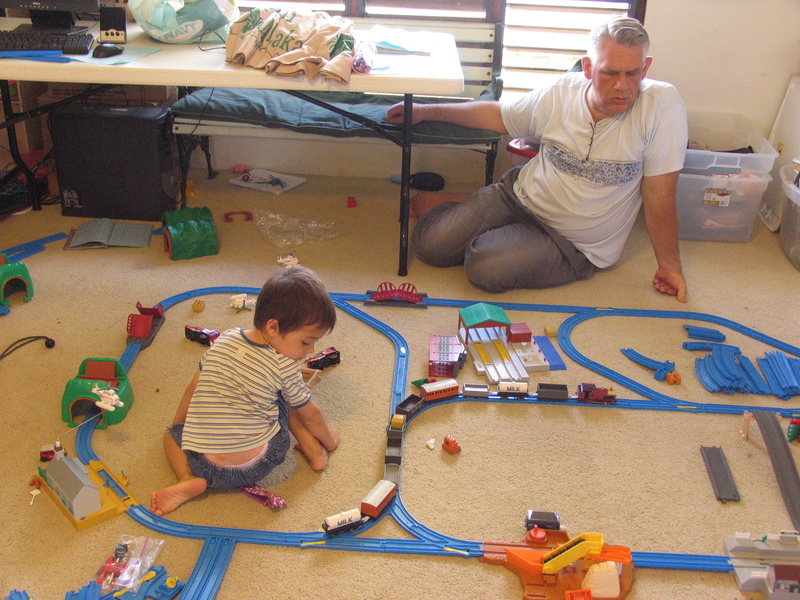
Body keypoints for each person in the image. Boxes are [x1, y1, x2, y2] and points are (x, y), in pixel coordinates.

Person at [386, 17, 689, 302]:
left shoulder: (662, 107)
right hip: (517, 196)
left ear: (645, 68)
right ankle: (465, 208)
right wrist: (425, 110)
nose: (622, 86)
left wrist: (670, 267)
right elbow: (499, 116)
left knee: (484, 267)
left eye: (632, 73)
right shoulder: (559, 93)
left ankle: (476, 217)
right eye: (610, 73)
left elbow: (659, 193)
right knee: (429, 247)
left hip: (572, 244)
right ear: (588, 67)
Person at [150, 265, 339, 516]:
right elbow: (311, 415)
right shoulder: (285, 366)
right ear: (273, 327)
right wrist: (330, 440)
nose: (310, 351)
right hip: (255, 464)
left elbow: (194, 386)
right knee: (288, 399)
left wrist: (183, 431)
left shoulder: (225, 339)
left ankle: (186, 476)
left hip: (201, 461)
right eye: (306, 341)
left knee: (169, 434)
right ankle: (315, 453)